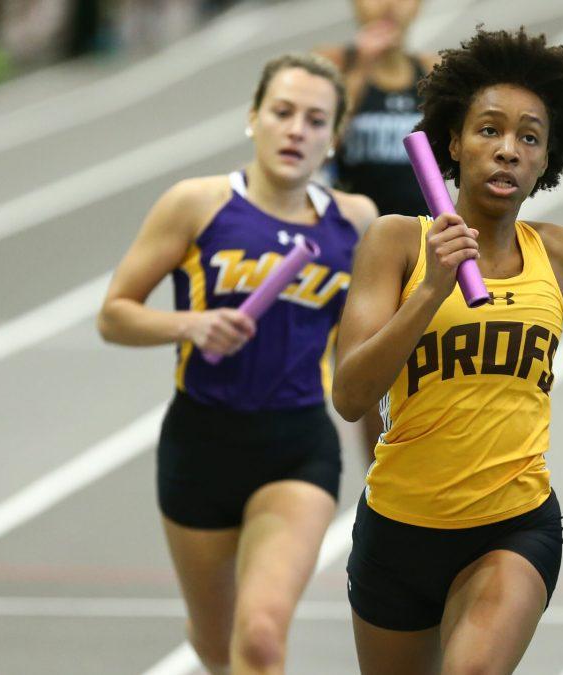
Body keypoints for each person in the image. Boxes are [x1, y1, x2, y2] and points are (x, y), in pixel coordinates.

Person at [331, 27, 563, 674]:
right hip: (397, 530)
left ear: (546, 158)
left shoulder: (561, 252)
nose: (507, 150)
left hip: (513, 525)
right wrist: (428, 293)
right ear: (453, 141)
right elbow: (350, 394)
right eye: (489, 131)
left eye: (528, 137)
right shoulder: (395, 244)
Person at [97, 53, 376, 674]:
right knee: (216, 644)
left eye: (314, 120)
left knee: (260, 636)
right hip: (200, 446)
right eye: (282, 113)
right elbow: (114, 314)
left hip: (297, 446)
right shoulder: (196, 205)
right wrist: (188, 324)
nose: (295, 130)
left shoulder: (355, 222)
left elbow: (370, 344)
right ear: (254, 119)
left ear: (333, 138)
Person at [316, 0, 439, 464]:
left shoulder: (432, 72)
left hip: (420, 254)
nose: (387, 5)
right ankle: (382, 489)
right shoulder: (332, 64)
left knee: (426, 379)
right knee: (365, 388)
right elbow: (318, 143)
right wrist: (361, 69)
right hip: (351, 256)